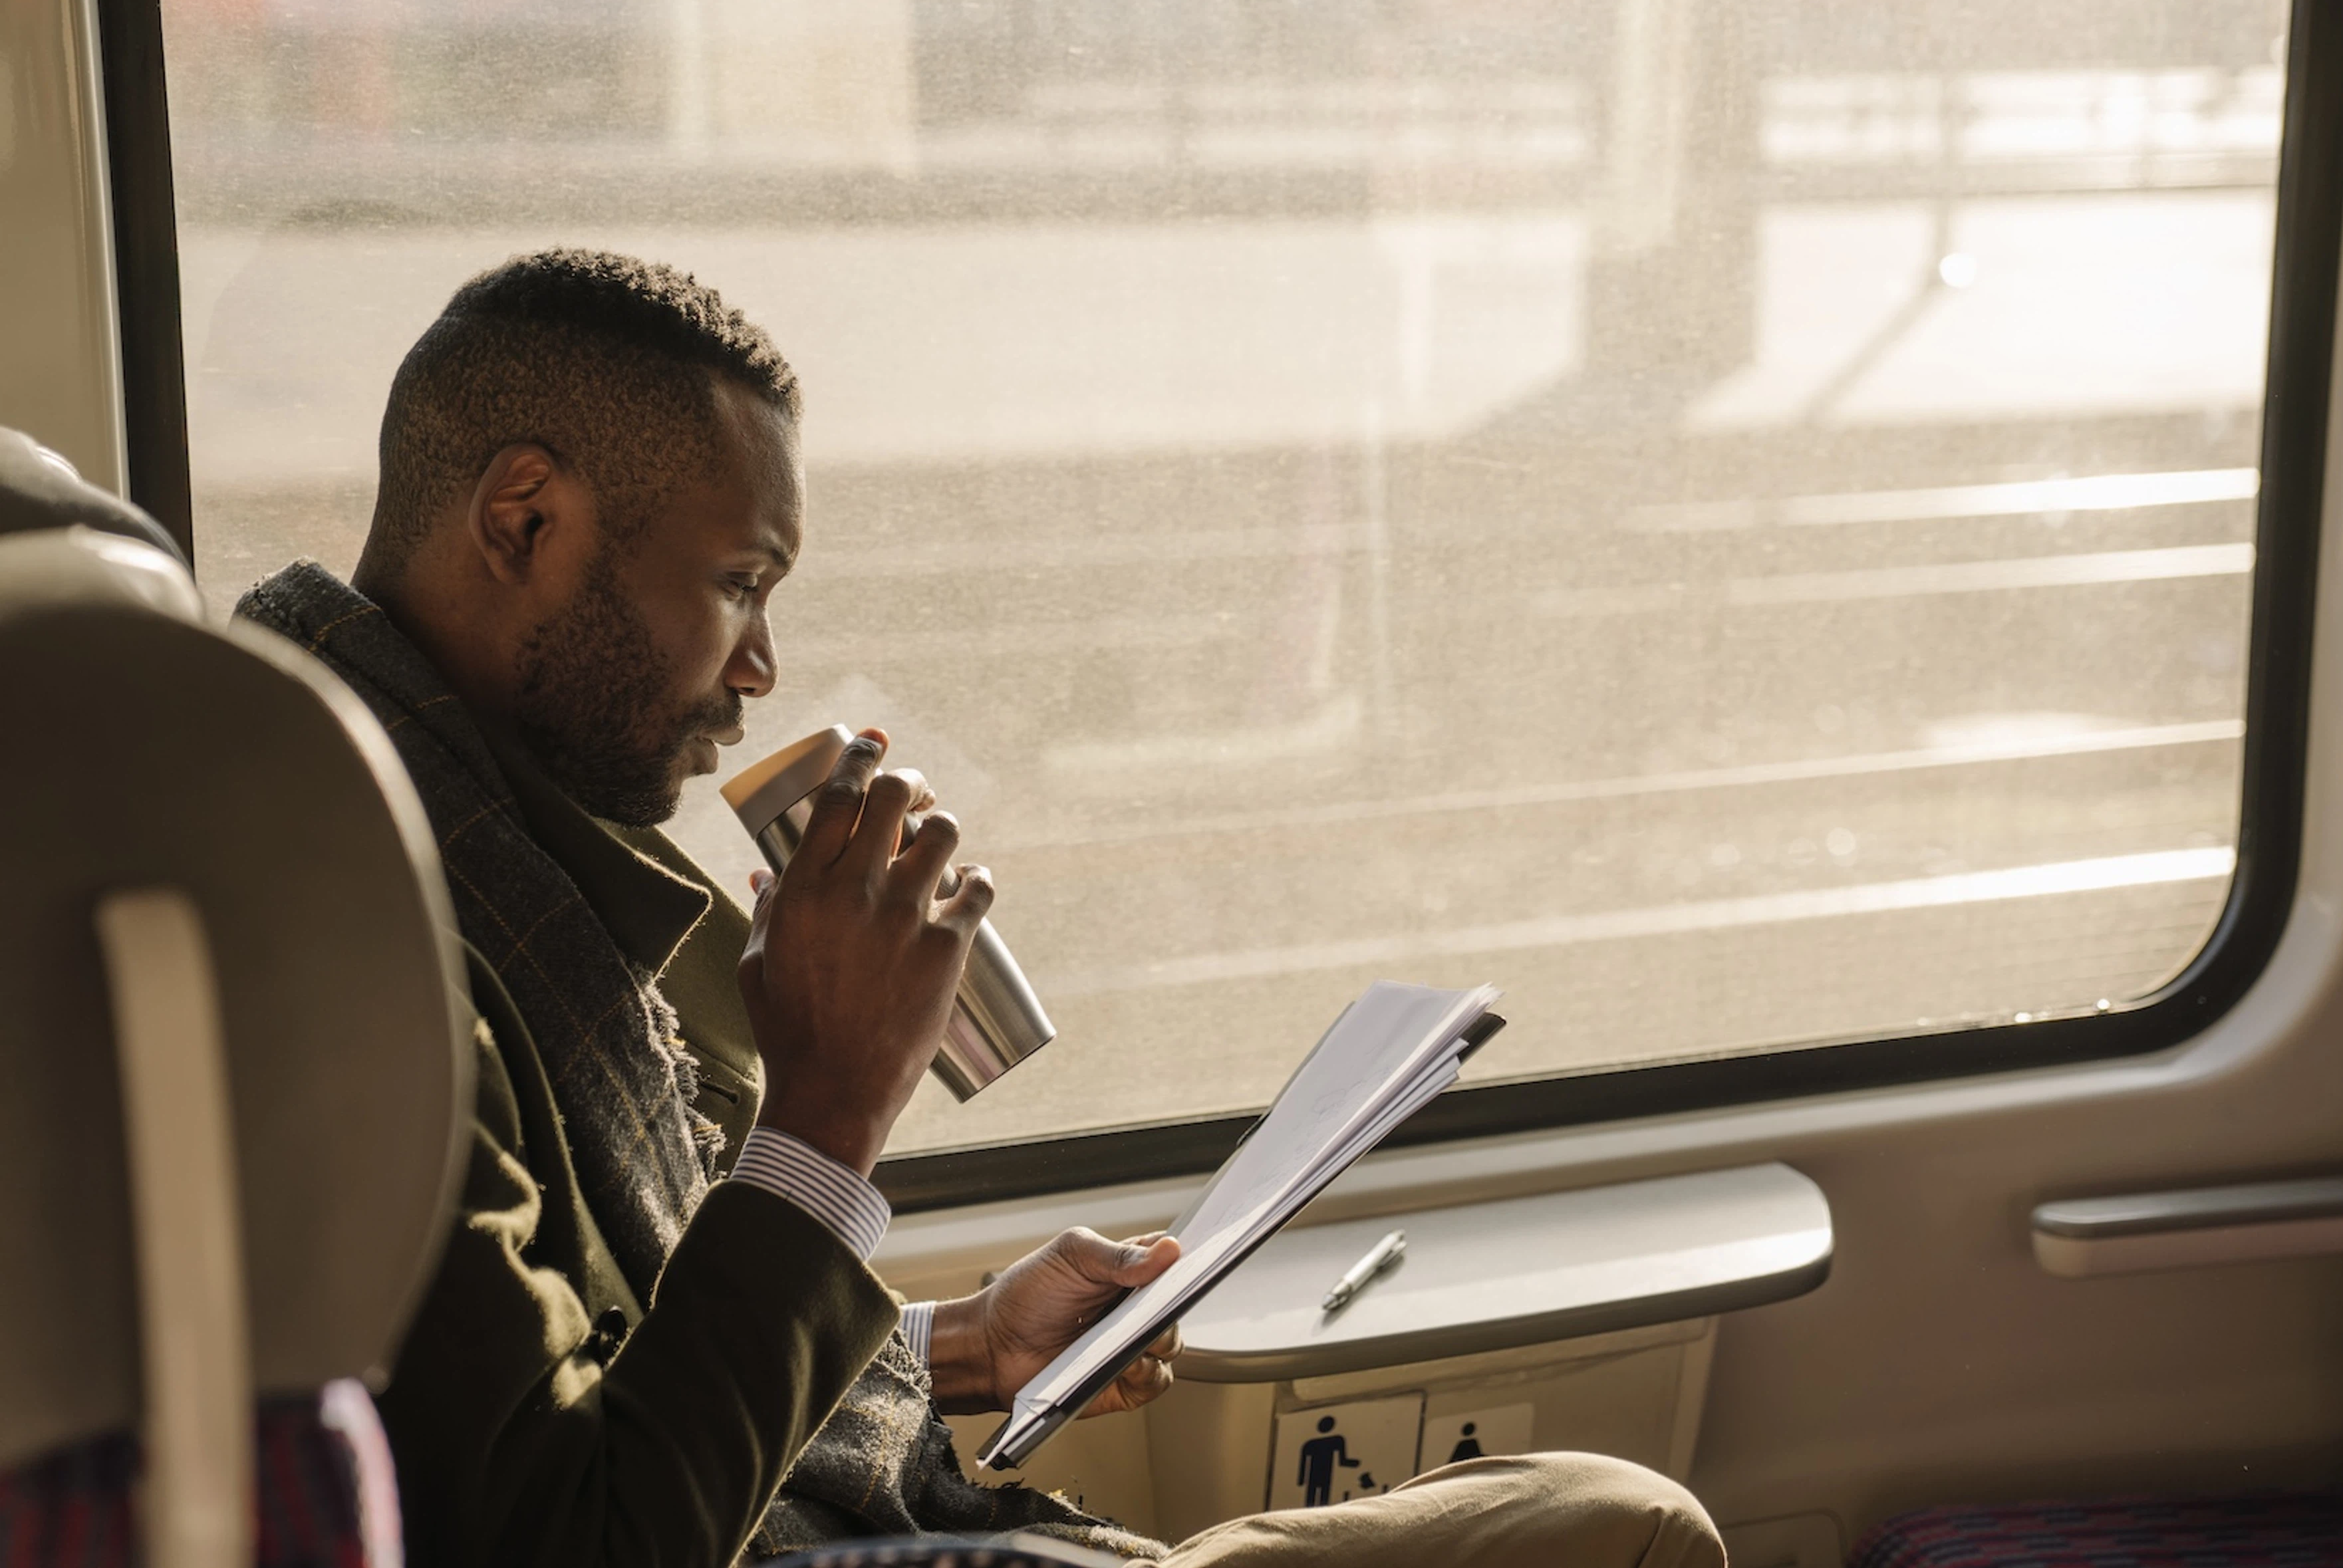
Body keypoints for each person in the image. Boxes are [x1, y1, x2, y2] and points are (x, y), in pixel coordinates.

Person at [239, 247, 1725, 1568]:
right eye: (740, 582)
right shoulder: (356, 946)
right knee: (1631, 1527)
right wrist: (827, 1114)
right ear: (525, 519)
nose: (759, 666)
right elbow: (575, 1535)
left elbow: (610, 1362)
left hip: (839, 1509)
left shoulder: (478, 844)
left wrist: (960, 1348)